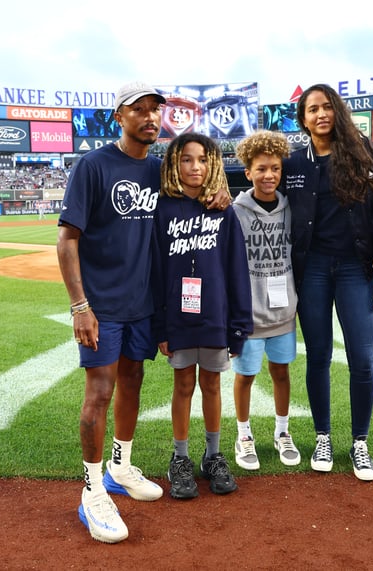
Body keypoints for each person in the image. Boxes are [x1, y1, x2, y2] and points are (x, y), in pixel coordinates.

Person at [57, 82, 232, 543]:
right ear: (120, 116)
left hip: (143, 307)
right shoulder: (93, 166)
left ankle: (120, 465)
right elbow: (67, 239)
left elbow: (198, 188)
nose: (151, 117)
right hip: (103, 304)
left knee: (132, 380)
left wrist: (220, 195)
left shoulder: (160, 171)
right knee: (99, 390)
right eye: (140, 109)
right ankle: (92, 491)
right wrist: (80, 306)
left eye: (156, 110)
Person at [281, 84, 373, 482]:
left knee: (362, 360)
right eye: (312, 109)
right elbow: (260, 190)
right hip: (311, 270)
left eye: (327, 107)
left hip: (356, 269)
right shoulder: (294, 162)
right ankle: (323, 437)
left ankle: (360, 443)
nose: (320, 114)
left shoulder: (365, 154)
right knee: (317, 357)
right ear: (303, 118)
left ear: (338, 112)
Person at [152, 133, 253, 499]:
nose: (196, 167)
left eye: (203, 160)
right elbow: (157, 272)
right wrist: (160, 325)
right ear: (173, 164)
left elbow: (236, 270)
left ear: (213, 165)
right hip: (177, 319)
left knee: (211, 385)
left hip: (215, 318)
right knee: (182, 386)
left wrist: (239, 325)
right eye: (187, 159)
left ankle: (213, 455)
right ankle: (180, 458)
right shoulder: (162, 209)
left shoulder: (224, 210)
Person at [231, 131, 300, 470]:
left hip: (284, 313)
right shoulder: (236, 212)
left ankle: (282, 432)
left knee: (281, 372)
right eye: (261, 169)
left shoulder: (292, 208)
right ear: (248, 172)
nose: (269, 175)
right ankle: (244, 435)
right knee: (245, 376)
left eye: (275, 168)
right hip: (249, 316)